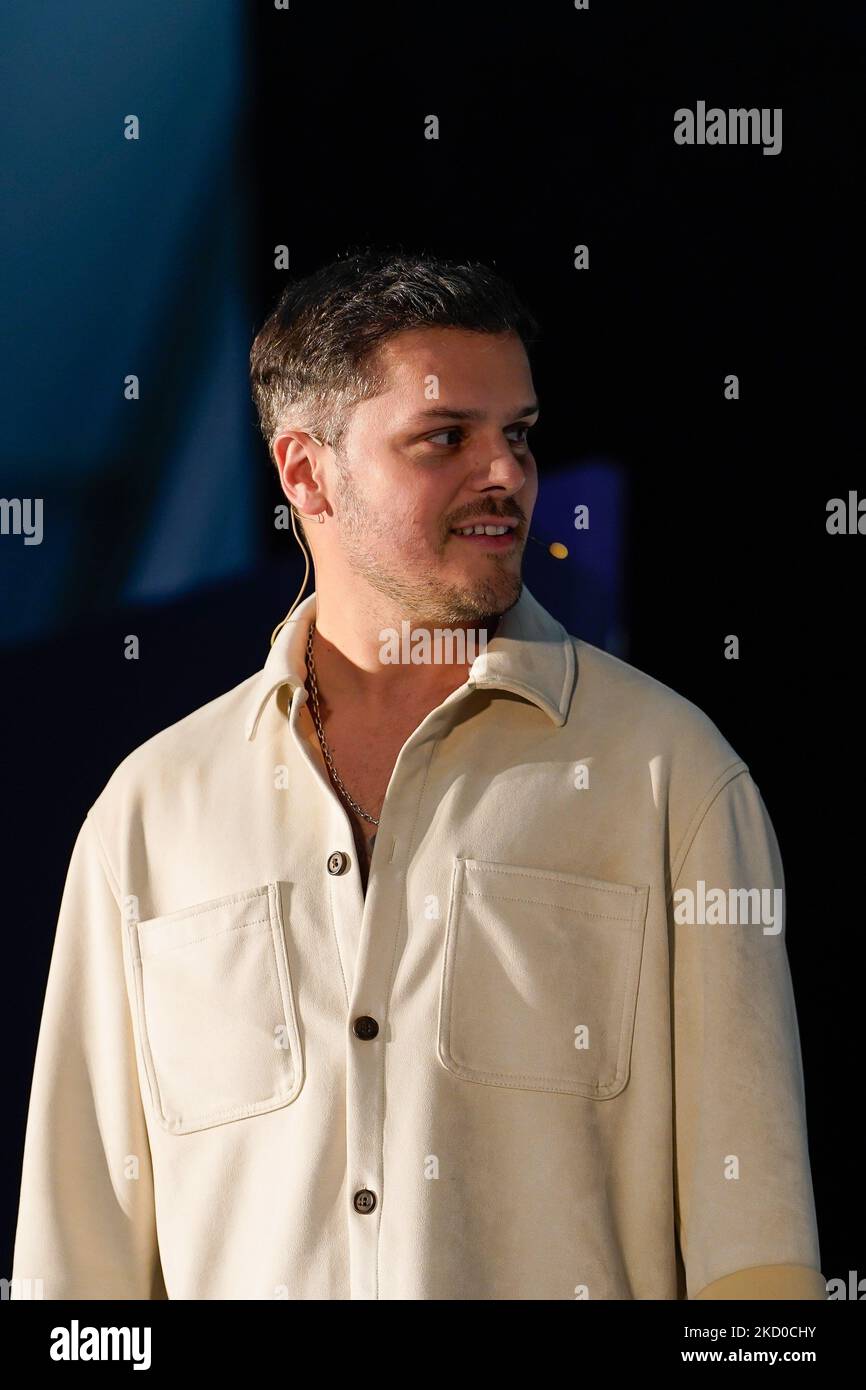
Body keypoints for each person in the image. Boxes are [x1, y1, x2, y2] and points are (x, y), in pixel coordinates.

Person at [11, 251, 824, 1300]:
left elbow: (753, 1242)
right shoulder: (150, 813)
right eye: (447, 438)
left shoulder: (669, 776)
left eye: (518, 435)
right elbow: (78, 1266)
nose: (506, 475)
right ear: (306, 473)